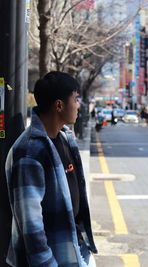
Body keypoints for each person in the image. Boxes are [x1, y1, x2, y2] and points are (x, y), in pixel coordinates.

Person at [5, 71, 97, 267]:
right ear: (59, 105)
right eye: (75, 99)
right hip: (52, 257)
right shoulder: (30, 152)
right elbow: (31, 225)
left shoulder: (65, 138)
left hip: (75, 248)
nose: (79, 105)